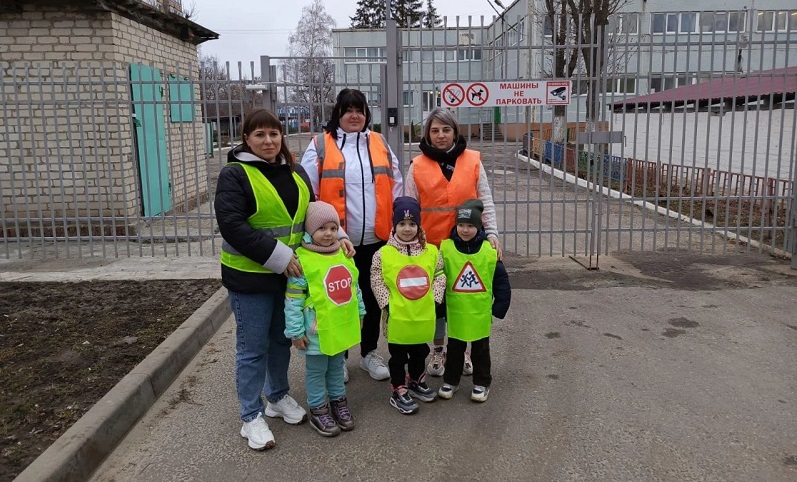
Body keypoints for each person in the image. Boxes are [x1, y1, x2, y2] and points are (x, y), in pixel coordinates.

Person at [215, 108, 353, 451]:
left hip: (291, 277)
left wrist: (340, 236)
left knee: (282, 339)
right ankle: (251, 416)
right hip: (251, 277)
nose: (268, 141)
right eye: (259, 135)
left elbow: (315, 212)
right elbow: (233, 224)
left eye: (273, 134)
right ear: (246, 138)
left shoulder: (295, 171)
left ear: (282, 137)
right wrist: (281, 258)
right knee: (252, 348)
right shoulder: (234, 175)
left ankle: (277, 397)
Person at [301, 88, 404, 382]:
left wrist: (397, 228)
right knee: (339, 300)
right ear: (338, 114)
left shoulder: (380, 142)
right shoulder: (320, 145)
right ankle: (340, 357)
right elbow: (310, 194)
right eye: (348, 110)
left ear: (367, 114)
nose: (354, 115)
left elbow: (396, 186)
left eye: (359, 110)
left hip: (377, 240)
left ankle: (369, 353)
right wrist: (334, 234)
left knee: (371, 300)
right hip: (335, 244)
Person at [404, 107, 503, 377]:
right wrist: (409, 246)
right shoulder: (417, 165)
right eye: (434, 130)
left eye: (446, 130)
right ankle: (438, 351)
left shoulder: (472, 161)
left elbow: (486, 201)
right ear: (427, 134)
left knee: (463, 302)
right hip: (432, 248)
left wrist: (492, 233)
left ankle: (464, 352)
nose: (440, 136)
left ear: (455, 132)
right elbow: (409, 208)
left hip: (467, 248)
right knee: (436, 303)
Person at [284, 201, 365, 437]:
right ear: (310, 231)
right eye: (322, 229)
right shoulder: (302, 261)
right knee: (317, 371)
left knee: (337, 367)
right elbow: (293, 301)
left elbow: (354, 286)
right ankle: (319, 408)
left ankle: (338, 402)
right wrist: (296, 332)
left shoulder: (344, 253)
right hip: (315, 332)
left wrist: (359, 312)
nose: (328, 234)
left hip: (338, 328)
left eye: (333, 228)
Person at [370, 197, 446, 414]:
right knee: (398, 354)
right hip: (398, 317)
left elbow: (439, 274)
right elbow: (376, 278)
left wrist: (434, 297)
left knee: (420, 350)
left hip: (422, 314)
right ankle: (398, 388)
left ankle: (416, 380)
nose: (407, 229)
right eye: (402, 224)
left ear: (419, 225)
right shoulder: (383, 254)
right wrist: (387, 303)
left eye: (412, 224)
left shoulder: (431, 251)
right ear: (394, 225)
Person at [437, 199, 511, 402]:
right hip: (456, 312)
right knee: (454, 350)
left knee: (481, 350)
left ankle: (482, 382)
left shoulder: (489, 251)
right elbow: (439, 279)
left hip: (480, 313)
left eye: (471, 225)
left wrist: (500, 305)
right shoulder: (446, 249)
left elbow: (501, 280)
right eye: (461, 225)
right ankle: (451, 380)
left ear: (479, 227)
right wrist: (438, 305)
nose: (465, 230)